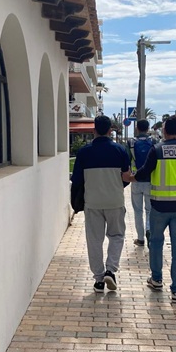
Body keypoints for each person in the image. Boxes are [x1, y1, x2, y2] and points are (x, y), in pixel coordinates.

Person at [123, 116, 176, 303]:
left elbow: (144, 172)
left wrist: (130, 178)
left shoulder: (158, 150)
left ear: (165, 131)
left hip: (160, 206)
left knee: (156, 242)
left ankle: (157, 279)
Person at [71, 115, 130, 293]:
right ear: (110, 130)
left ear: (94, 130)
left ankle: (98, 279)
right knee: (117, 235)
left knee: (94, 240)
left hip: (93, 202)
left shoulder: (84, 152)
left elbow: (77, 180)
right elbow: (126, 178)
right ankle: (110, 270)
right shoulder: (120, 150)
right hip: (115, 201)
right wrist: (116, 185)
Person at [126, 119, 155, 247]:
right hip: (151, 180)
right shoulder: (154, 142)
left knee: (138, 211)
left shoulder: (131, 142)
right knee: (149, 210)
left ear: (137, 128)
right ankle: (149, 229)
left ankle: (140, 238)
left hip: (135, 179)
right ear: (148, 128)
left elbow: (127, 160)